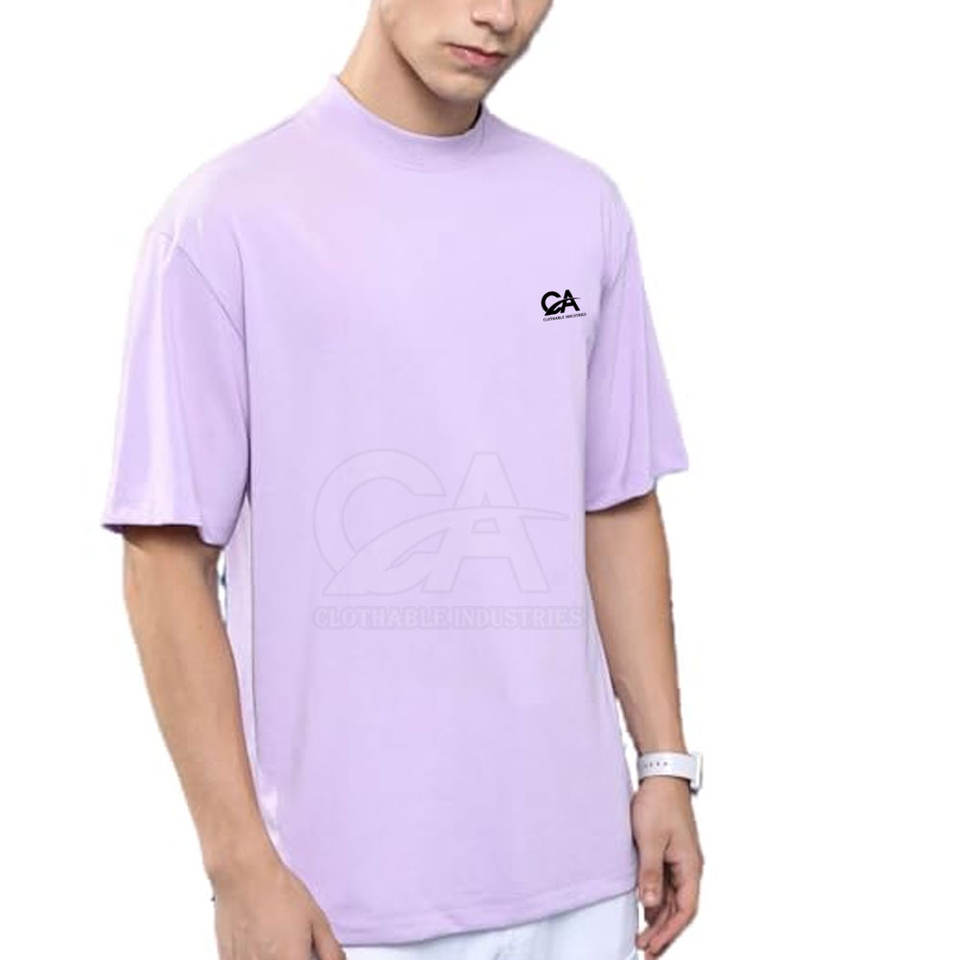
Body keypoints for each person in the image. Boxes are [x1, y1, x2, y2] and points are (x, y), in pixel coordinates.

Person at [101, 2, 704, 958]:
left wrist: (664, 761)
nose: (499, 15)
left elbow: (616, 501)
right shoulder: (225, 220)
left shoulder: (581, 207)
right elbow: (164, 559)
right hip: (346, 904)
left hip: (586, 878)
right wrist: (240, 867)